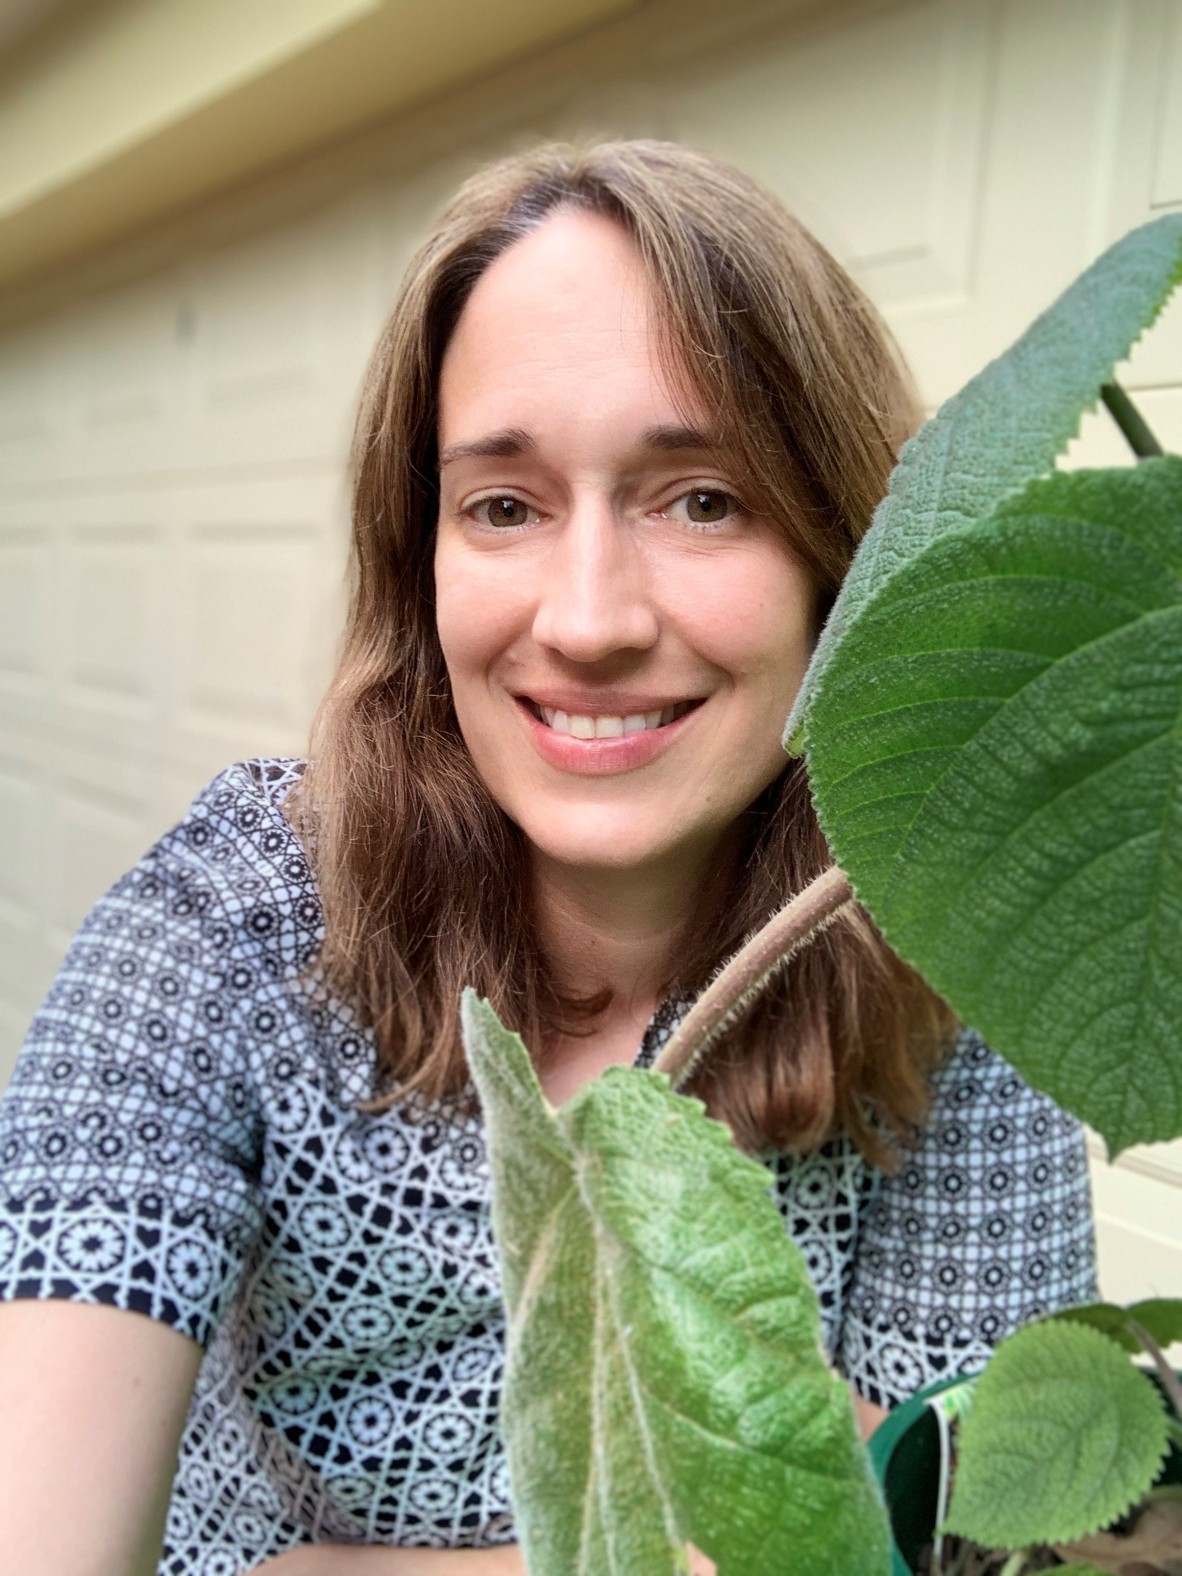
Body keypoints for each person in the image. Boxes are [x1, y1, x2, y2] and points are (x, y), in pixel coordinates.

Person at [0, 141, 1096, 1576]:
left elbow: (991, 1530)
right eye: (502, 505)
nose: (585, 621)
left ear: (848, 553)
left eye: (700, 496)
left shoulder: (946, 959)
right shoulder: (239, 920)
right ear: (423, 562)